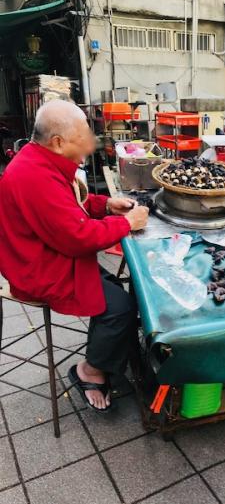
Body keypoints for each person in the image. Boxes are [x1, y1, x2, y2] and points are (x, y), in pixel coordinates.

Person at [0, 100, 149, 412]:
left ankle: (105, 354)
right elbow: (77, 238)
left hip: (50, 249)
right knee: (120, 308)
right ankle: (90, 370)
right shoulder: (34, 175)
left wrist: (106, 205)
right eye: (83, 136)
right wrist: (125, 223)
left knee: (115, 294)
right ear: (58, 141)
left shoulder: (41, 158)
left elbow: (72, 204)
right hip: (37, 266)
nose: (89, 143)